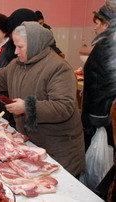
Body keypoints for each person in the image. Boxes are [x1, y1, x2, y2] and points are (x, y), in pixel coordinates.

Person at [0, 21, 85, 177]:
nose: (15, 51)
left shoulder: (58, 68)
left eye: (20, 47)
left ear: (35, 44)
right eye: (15, 46)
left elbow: (64, 107)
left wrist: (27, 107)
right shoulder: (17, 65)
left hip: (60, 150)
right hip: (34, 145)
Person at [81, 1, 116, 199]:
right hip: (102, 116)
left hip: (98, 118)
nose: (95, 27)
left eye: (99, 23)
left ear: (108, 24)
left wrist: (96, 120)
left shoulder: (106, 46)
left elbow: (103, 87)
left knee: (98, 173)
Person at [0, 8, 39, 128]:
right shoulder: (10, 51)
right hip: (9, 114)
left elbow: (61, 107)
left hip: (32, 123)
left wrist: (26, 106)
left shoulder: (48, 62)